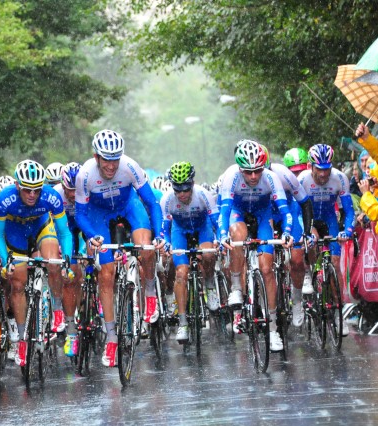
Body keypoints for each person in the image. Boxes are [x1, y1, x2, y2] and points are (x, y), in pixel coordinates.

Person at [75, 129, 165, 367]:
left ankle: (149, 293)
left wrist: (160, 234)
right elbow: (80, 214)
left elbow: (152, 203)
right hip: (99, 215)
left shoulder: (130, 167)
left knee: (146, 247)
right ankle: (112, 338)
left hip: (129, 206)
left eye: (115, 159)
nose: (111, 166)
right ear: (96, 157)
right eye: (106, 160)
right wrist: (92, 236)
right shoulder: (85, 175)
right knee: (106, 274)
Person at [0, 160, 73, 366]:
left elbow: (64, 232)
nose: (32, 195)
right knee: (17, 284)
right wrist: (6, 261)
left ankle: (57, 309)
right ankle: (21, 339)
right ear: (17, 185)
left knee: (53, 262)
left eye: (37, 190)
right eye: (27, 190)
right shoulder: (4, 198)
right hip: (15, 234)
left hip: (41, 227)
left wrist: (67, 260)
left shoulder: (51, 196)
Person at [219, 140, 293, 352]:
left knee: (267, 270)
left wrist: (287, 232)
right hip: (238, 212)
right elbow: (224, 211)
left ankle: (273, 329)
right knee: (237, 235)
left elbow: (285, 212)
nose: (253, 176)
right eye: (248, 172)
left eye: (257, 170)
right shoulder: (231, 176)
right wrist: (223, 235)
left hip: (262, 215)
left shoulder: (270, 178)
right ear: (240, 169)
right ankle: (236, 287)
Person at [160, 161, 219, 343]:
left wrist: (220, 238)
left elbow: (216, 221)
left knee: (208, 254)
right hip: (179, 231)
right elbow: (165, 229)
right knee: (181, 273)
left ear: (192, 183)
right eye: (178, 190)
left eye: (186, 189)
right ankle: (183, 323)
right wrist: (166, 243)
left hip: (202, 228)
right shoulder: (167, 200)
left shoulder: (203, 195)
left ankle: (210, 283)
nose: (182, 194)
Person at [297, 144, 355, 303]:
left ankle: (339, 306)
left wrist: (347, 231)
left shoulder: (340, 178)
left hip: (329, 219)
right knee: (312, 241)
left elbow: (349, 211)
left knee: (335, 263)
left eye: (327, 169)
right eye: (319, 169)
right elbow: (297, 212)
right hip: (309, 219)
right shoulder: (302, 179)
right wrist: (306, 232)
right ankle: (309, 272)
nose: (323, 174)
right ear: (310, 166)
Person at [267, 155, 313, 327]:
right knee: (265, 261)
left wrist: (306, 232)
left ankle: (297, 300)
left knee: (297, 259)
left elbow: (305, 203)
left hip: (288, 212)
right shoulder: (247, 178)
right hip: (266, 214)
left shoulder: (284, 174)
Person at [53, 162, 84, 356]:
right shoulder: (56, 194)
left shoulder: (89, 188)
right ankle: (71, 329)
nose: (73, 194)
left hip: (85, 227)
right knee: (70, 276)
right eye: (69, 190)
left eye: (76, 190)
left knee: (95, 264)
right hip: (65, 231)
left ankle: (93, 297)